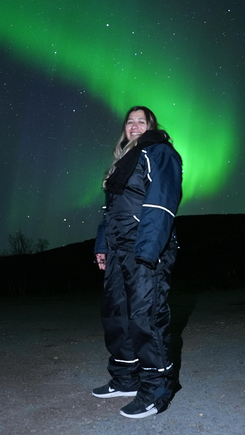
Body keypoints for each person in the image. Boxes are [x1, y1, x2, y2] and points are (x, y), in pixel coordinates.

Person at [92, 106, 183, 418]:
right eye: (129, 121)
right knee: (115, 313)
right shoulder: (124, 161)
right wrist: (103, 246)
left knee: (146, 316)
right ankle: (125, 378)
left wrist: (147, 251)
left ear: (151, 126)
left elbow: (161, 203)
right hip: (119, 249)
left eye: (141, 121)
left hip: (145, 246)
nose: (134, 125)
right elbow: (112, 210)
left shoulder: (159, 152)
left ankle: (156, 391)